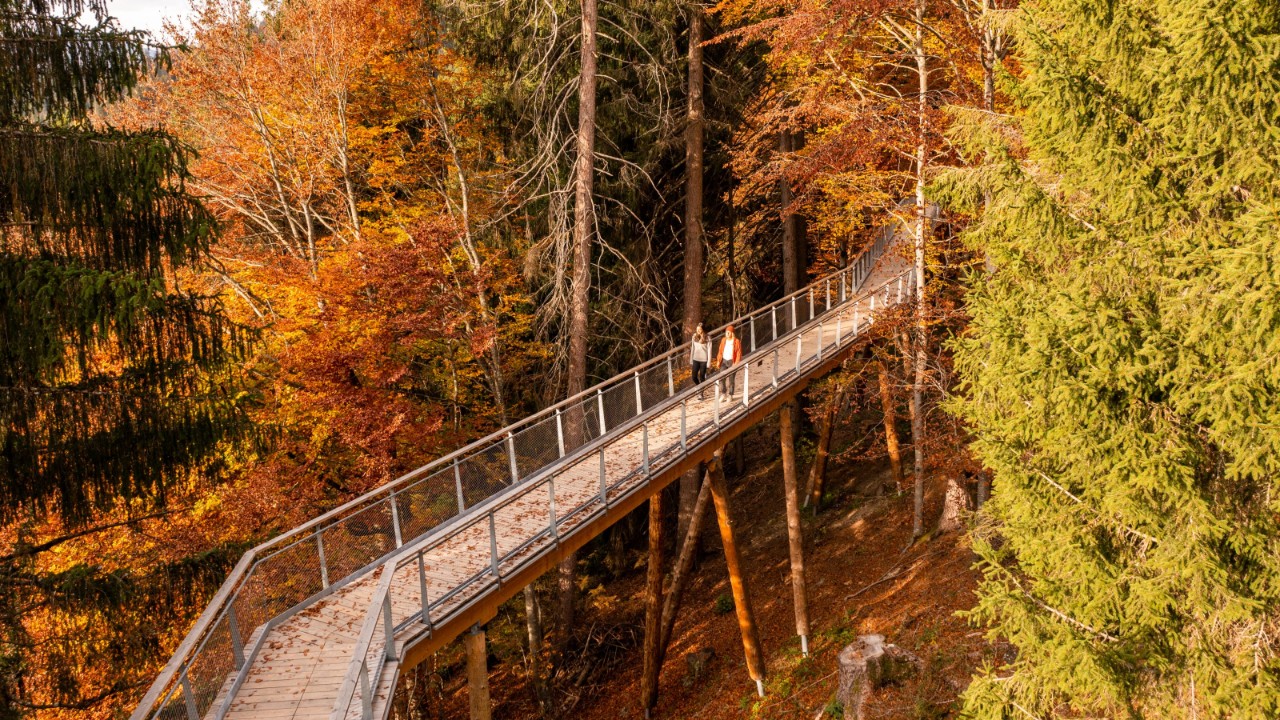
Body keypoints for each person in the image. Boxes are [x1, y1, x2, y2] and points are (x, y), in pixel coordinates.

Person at [715, 324, 743, 400]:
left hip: (732, 362)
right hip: (724, 361)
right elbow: (720, 351)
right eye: (726, 332)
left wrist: (736, 363)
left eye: (729, 332)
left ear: (732, 333)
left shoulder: (736, 341)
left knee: (731, 379)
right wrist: (718, 360)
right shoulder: (723, 340)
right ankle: (723, 393)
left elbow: (738, 353)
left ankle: (730, 394)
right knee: (721, 377)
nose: (727, 334)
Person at [690, 324, 711, 396]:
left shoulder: (708, 338)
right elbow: (692, 348)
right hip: (695, 359)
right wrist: (691, 359)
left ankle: (701, 393)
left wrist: (709, 362)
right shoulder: (694, 336)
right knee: (694, 376)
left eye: (699, 329)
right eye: (697, 329)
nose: (698, 331)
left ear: (703, 329)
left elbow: (709, 350)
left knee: (702, 376)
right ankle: (699, 387)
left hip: (704, 360)